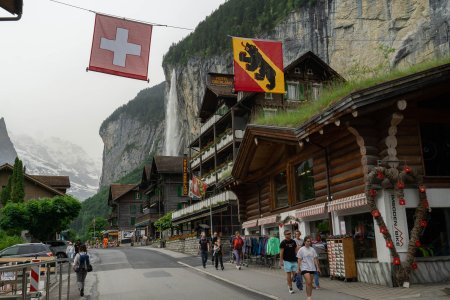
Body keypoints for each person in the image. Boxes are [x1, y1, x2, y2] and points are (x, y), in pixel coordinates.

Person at [297, 236, 320, 300]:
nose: (309, 242)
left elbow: (315, 258)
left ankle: (309, 296)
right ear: (304, 242)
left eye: (310, 241)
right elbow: (299, 259)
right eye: (308, 241)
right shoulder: (301, 249)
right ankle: (308, 296)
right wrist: (298, 268)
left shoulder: (312, 249)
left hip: (312, 268)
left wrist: (317, 267)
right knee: (309, 282)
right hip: (304, 268)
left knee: (309, 284)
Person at [279, 229, 298, 294]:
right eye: (288, 234)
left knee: (295, 274)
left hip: (294, 260)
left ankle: (289, 281)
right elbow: (281, 252)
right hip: (287, 261)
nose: (289, 235)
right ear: (285, 235)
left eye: (290, 233)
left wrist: (298, 258)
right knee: (288, 274)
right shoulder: (283, 243)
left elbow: (296, 250)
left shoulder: (293, 242)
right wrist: (281, 261)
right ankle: (290, 287)